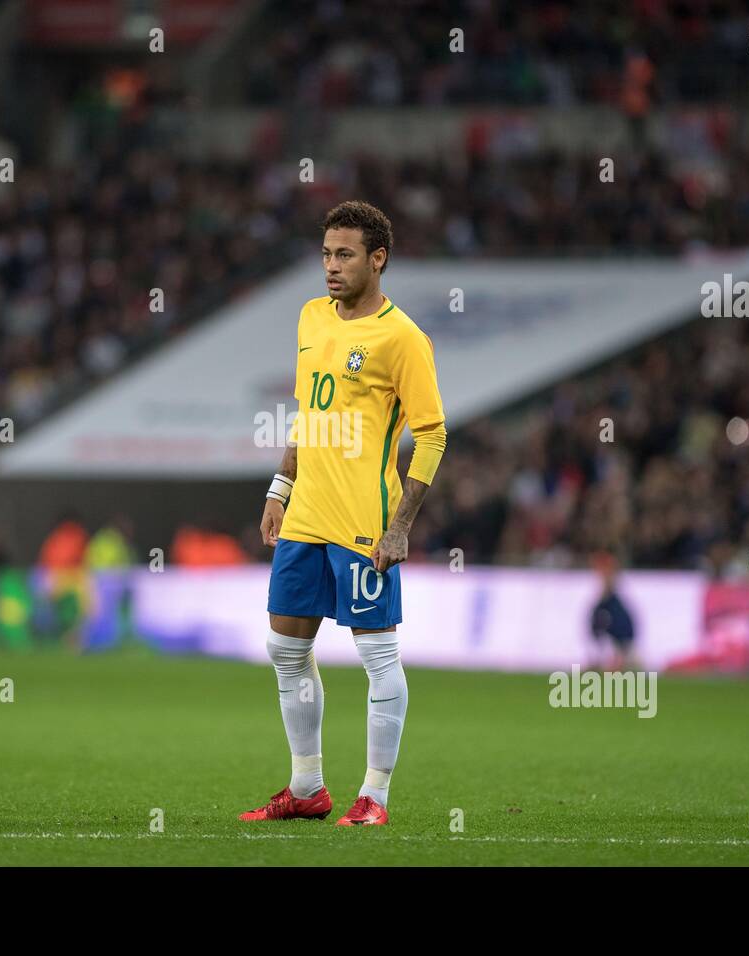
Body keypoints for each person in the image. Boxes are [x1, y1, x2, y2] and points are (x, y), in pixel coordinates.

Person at [241, 201, 447, 826]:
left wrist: (402, 524)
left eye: (345, 254)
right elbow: (307, 413)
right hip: (306, 513)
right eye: (327, 253)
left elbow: (433, 435)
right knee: (285, 647)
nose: (330, 266)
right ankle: (307, 787)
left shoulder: (403, 338)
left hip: (365, 519)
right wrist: (280, 487)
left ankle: (375, 797)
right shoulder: (311, 318)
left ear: (377, 259)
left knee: (377, 657)